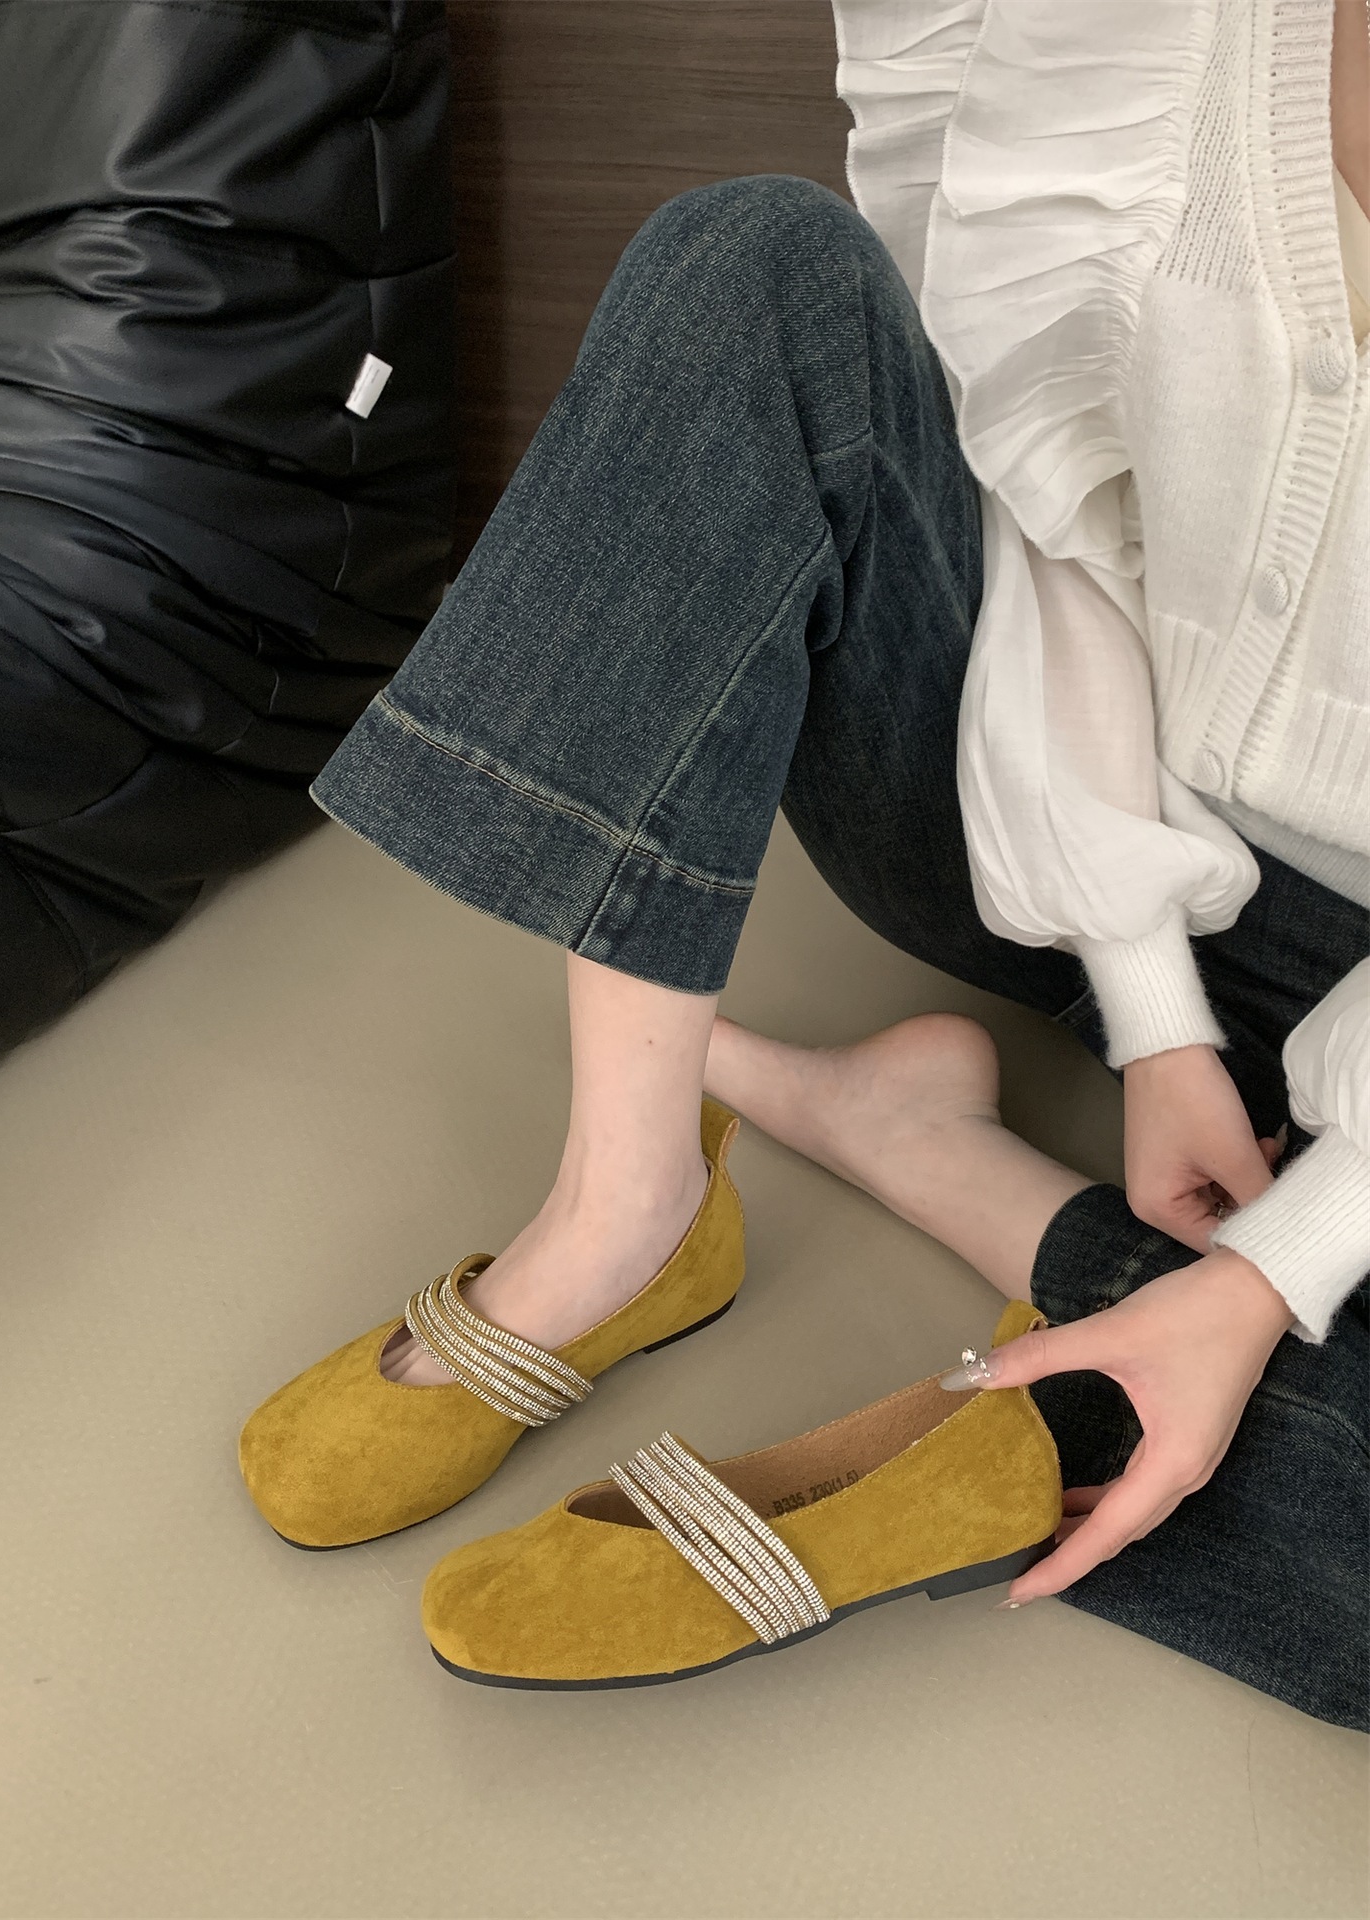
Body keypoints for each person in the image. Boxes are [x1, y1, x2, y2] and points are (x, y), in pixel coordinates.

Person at [305, 0, 1368, 1726]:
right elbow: (1060, 504)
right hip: (1061, 830)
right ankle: (627, 1207)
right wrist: (1153, 1005)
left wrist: (1282, 1266)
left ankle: (927, 1153)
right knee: (757, 267)